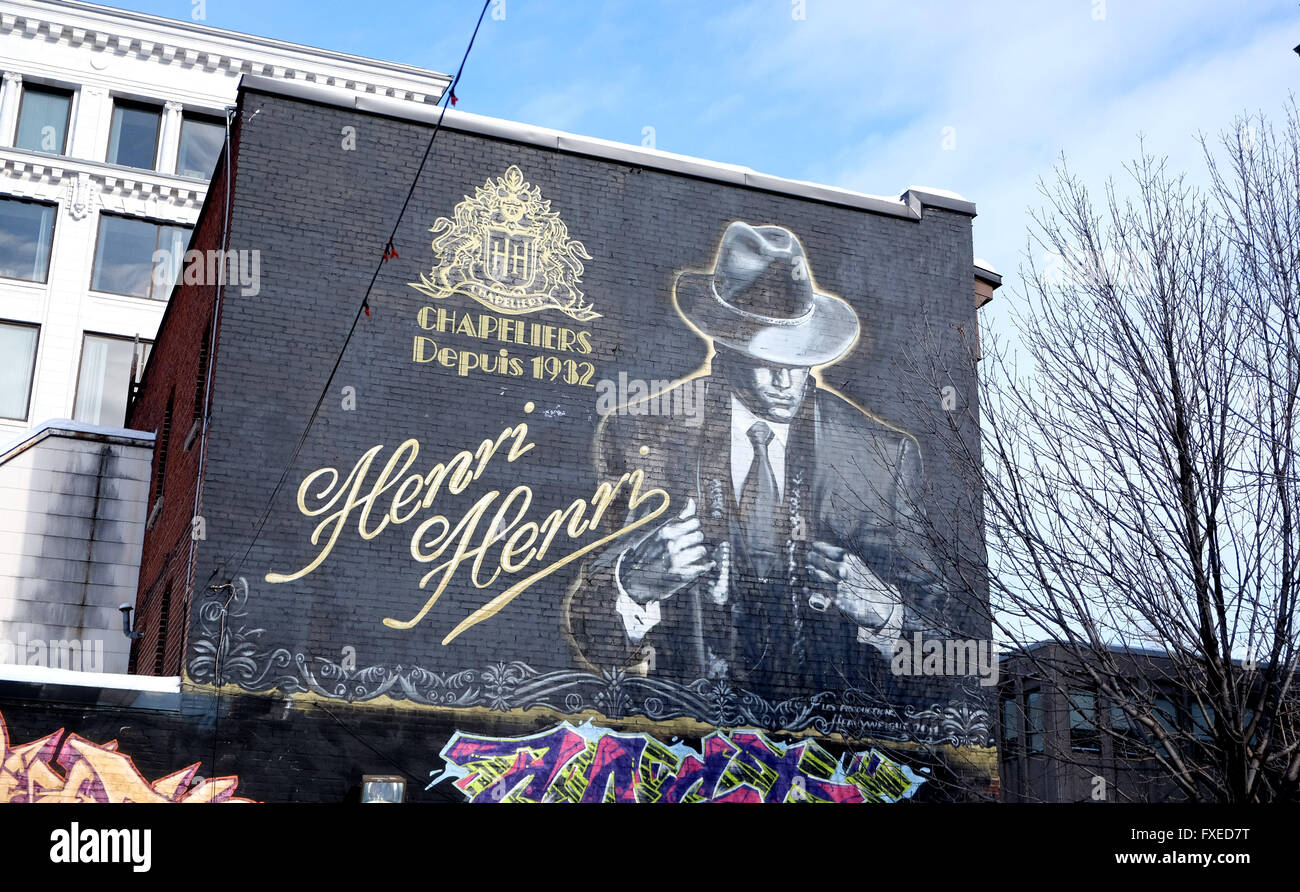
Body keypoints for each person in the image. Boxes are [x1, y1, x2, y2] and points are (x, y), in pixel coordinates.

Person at [565, 221, 948, 701]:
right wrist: (633, 584)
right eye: (769, 361)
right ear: (725, 347)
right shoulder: (640, 433)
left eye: (802, 359)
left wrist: (888, 612)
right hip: (686, 752)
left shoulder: (882, 457)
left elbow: (950, 655)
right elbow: (594, 641)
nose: (789, 381)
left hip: (838, 755)